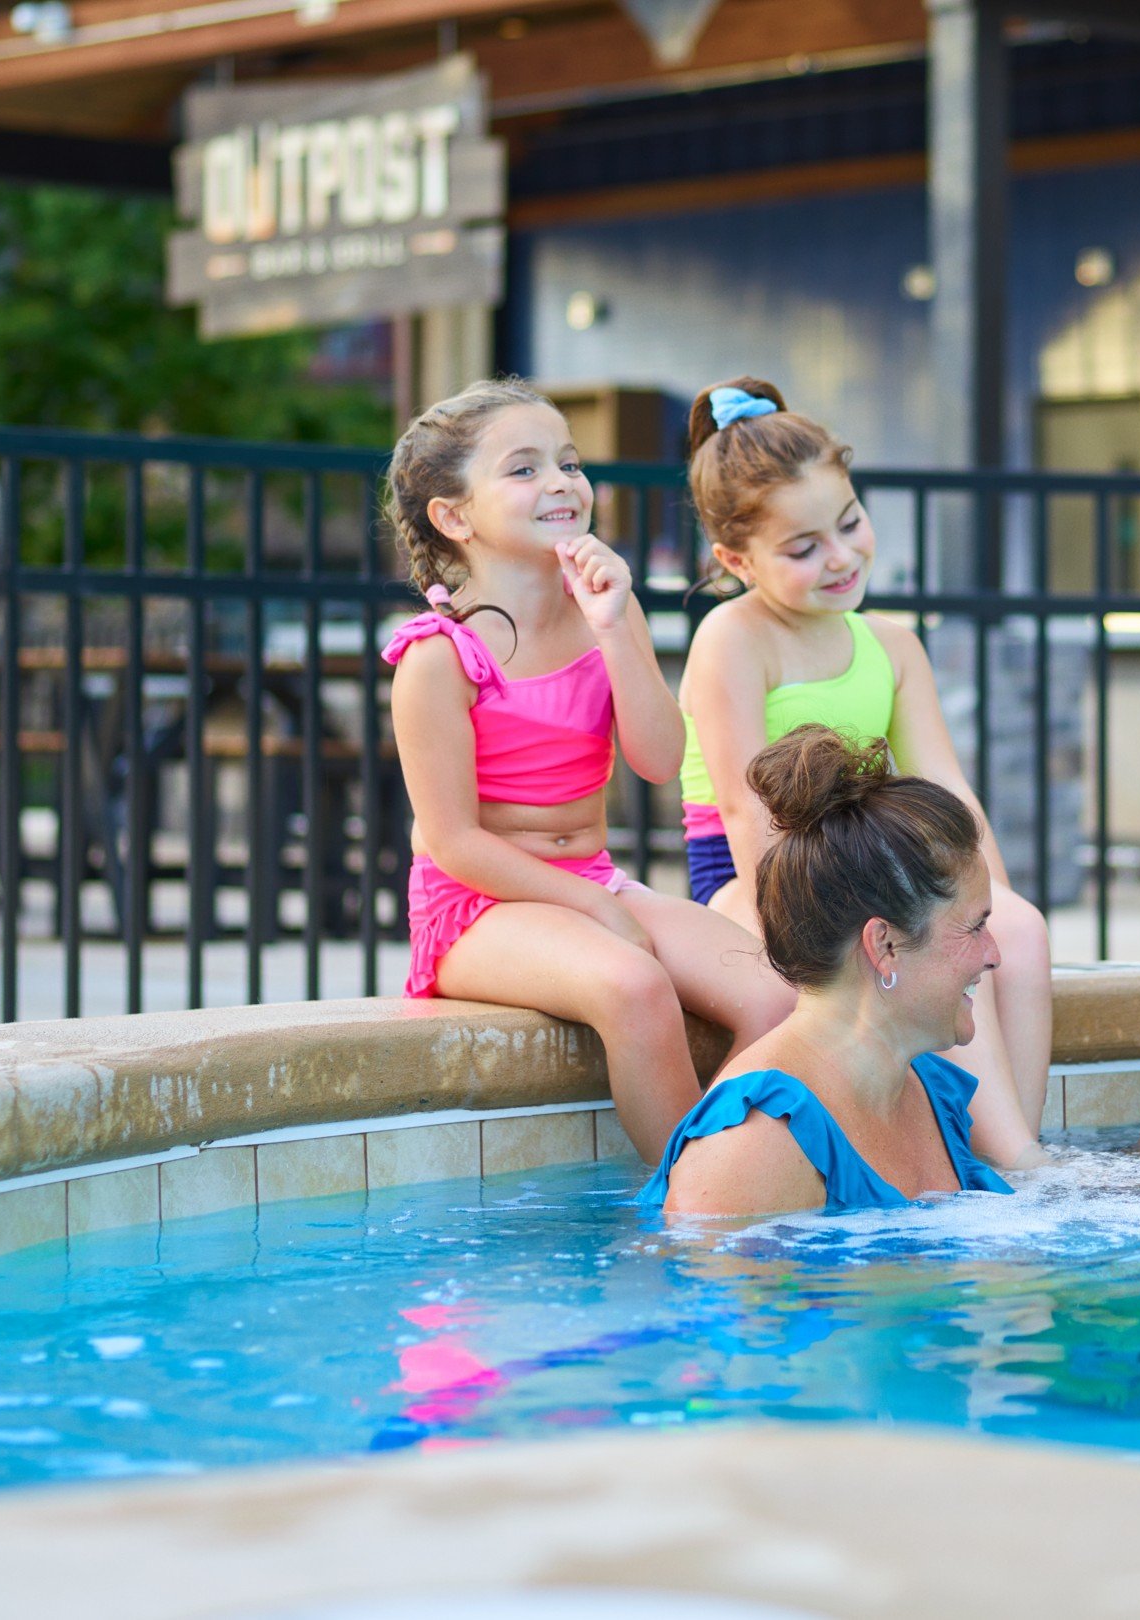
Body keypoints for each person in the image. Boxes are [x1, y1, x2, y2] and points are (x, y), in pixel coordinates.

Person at [384, 378, 792, 1162]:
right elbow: (454, 843)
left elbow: (660, 758)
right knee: (634, 988)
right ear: (453, 516)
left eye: (568, 462)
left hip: (592, 881)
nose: (561, 482)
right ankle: (689, 1204)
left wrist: (614, 629)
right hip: (473, 909)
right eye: (524, 468)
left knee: (775, 993)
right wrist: (598, 912)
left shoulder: (608, 609)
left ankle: (741, 1170)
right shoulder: (438, 659)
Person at [673, 377, 1051, 1167]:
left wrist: (989, 901)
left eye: (849, 523)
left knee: (1018, 928)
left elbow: (949, 792)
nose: (841, 557)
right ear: (735, 560)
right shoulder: (733, 640)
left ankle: (1003, 1147)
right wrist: (812, 926)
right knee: (903, 948)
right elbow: (750, 817)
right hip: (760, 876)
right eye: (805, 549)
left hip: (881, 866)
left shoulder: (890, 645)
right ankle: (1015, 1168)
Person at [642, 725, 1017, 1217]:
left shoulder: (927, 1090)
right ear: (884, 944)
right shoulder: (752, 1147)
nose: (994, 955)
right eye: (974, 927)